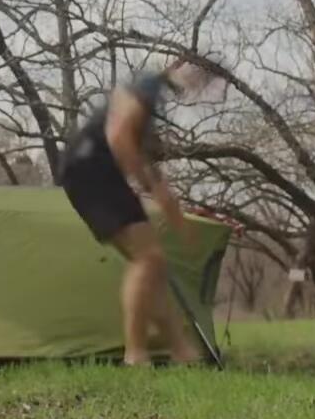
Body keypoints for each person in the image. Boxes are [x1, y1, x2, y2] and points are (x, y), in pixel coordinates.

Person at [58, 55, 218, 366]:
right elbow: (119, 135)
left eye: (203, 80)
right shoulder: (147, 84)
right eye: (197, 74)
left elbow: (138, 153)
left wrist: (175, 216)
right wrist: (150, 184)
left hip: (90, 171)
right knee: (149, 259)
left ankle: (181, 350)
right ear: (177, 66)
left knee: (152, 267)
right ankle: (135, 353)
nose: (198, 83)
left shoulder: (151, 98)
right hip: (91, 169)